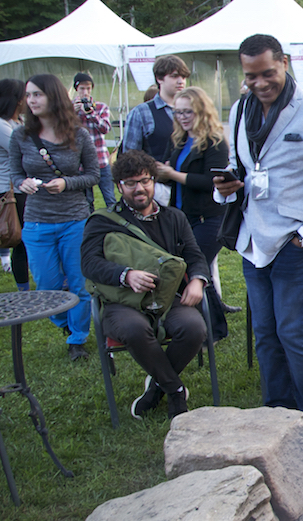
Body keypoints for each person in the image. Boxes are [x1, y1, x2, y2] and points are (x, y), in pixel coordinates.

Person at [213, 34, 303, 419]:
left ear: (286, 63)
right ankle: (275, 415)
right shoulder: (241, 110)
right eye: (250, 76)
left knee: (293, 334)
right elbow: (241, 168)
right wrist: (226, 187)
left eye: (267, 73)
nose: (259, 84)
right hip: (253, 242)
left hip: (296, 244)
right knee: (266, 337)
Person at [81, 150, 210, 419]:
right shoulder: (102, 221)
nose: (139, 188)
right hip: (122, 302)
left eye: (145, 180)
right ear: (119, 186)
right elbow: (89, 264)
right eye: (131, 183)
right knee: (134, 329)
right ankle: (175, 391)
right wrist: (125, 274)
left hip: (166, 299)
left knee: (194, 327)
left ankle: (156, 389)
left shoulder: (174, 218)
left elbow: (195, 256)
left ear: (153, 181)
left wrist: (197, 281)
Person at [10, 74, 99, 361]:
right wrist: (21, 183)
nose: (31, 100)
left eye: (37, 94)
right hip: (36, 220)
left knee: (79, 282)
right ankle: (65, 322)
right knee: (47, 284)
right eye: (28, 95)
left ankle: (77, 339)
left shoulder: (79, 134)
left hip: (74, 219)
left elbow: (94, 175)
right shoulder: (20, 136)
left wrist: (66, 183)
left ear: (54, 97)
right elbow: (14, 173)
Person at [154, 86, 229, 342]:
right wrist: (161, 171)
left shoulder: (215, 142)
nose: (183, 117)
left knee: (193, 268)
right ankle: (214, 328)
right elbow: (167, 168)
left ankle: (212, 330)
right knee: (198, 270)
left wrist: (173, 174)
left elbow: (212, 182)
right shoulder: (179, 139)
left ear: (201, 110)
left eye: (188, 111)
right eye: (178, 112)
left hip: (209, 218)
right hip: (182, 215)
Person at [122, 55, 190, 206]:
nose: (181, 81)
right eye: (174, 76)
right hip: (158, 192)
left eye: (183, 77)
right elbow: (130, 156)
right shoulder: (141, 113)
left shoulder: (195, 110)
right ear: (159, 79)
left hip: (191, 189)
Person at [0, 79, 30, 290]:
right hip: (8, 193)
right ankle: (23, 292)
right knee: (18, 239)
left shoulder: (16, 123)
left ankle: (24, 290)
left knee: (22, 242)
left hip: (17, 190)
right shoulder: (2, 126)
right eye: (25, 96)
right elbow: (24, 150)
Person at [72, 72, 115, 208]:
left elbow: (105, 129)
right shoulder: (69, 109)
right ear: (76, 89)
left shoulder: (100, 107)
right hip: (80, 162)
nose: (85, 92)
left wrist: (91, 113)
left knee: (110, 198)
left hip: (100, 160)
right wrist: (72, 113)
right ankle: (90, 226)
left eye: (88, 88)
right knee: (86, 201)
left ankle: (115, 224)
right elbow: (63, 132)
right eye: (82, 89)